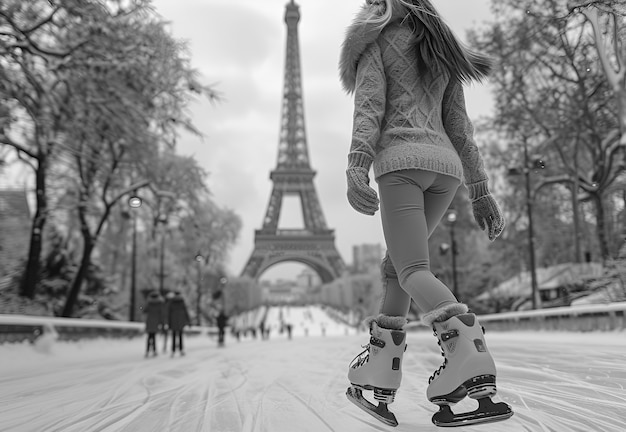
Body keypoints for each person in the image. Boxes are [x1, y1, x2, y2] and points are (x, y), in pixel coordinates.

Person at [339, 0, 512, 427]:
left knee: (413, 269)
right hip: (446, 171)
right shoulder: (439, 46)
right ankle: (380, 369)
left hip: (401, 164)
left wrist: (357, 164)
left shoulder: (374, 40)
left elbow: (368, 111)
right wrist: (479, 189)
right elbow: (460, 127)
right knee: (395, 269)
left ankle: (469, 357)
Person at [168, 291, 190, 356]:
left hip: (173, 321)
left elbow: (169, 312)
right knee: (180, 336)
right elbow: (186, 311)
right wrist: (188, 321)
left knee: (174, 336)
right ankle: (181, 349)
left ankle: (173, 350)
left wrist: (169, 322)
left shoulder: (171, 302)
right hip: (180, 321)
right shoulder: (181, 302)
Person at [143, 291, 165, 358]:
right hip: (156, 322)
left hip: (149, 322)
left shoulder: (149, 303)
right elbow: (161, 314)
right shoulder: (160, 304)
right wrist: (162, 323)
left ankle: (147, 350)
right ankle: (154, 350)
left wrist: (141, 307)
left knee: (149, 337)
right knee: (154, 337)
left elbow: (143, 310)